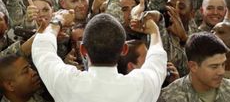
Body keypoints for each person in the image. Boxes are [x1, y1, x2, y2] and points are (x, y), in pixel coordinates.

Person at [32, 11, 167, 102]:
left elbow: (42, 48)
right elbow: (157, 58)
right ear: (124, 49)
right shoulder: (140, 86)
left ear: (83, 50)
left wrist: (58, 20)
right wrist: (154, 31)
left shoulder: (67, 83)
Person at [157, 32, 230, 102]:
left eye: (223, 64)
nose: (221, 72)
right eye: (214, 67)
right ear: (193, 66)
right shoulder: (170, 98)